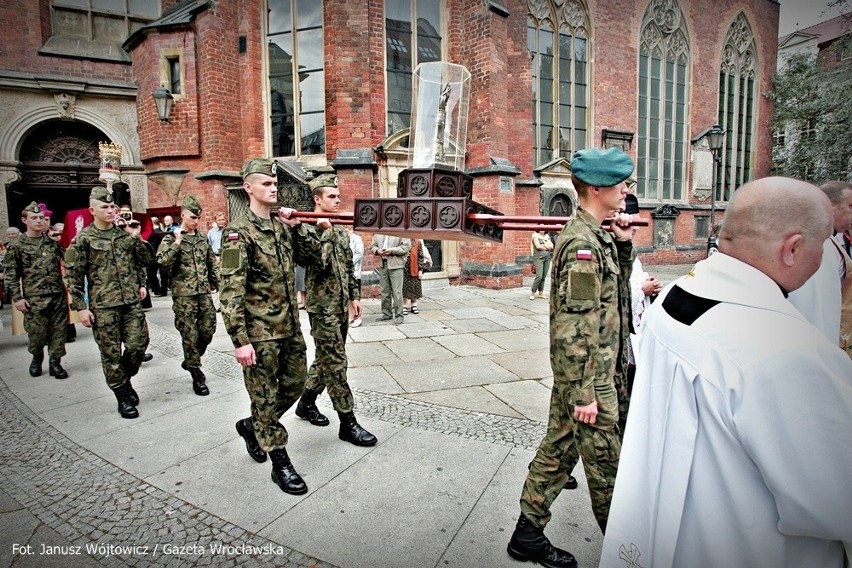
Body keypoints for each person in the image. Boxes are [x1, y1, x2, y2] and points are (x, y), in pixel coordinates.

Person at [601, 177, 852, 568]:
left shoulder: (674, 295)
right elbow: (836, 496)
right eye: (821, 245)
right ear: (794, 248)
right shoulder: (788, 351)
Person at [508, 147, 635, 568]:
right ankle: (631, 555)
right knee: (607, 476)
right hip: (589, 381)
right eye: (620, 183)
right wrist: (584, 394)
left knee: (559, 451)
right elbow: (574, 326)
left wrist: (623, 246)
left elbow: (611, 296)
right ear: (597, 188)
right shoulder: (581, 242)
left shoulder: (597, 235)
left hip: (590, 376)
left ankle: (527, 535)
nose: (626, 190)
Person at [219, 157, 321, 495]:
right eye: (265, 183)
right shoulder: (237, 233)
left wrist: (299, 227)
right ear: (248, 187)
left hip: (289, 326)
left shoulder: (280, 226)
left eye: (275, 183)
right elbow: (230, 290)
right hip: (259, 333)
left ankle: (253, 426)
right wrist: (240, 340)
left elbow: (312, 257)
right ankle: (280, 464)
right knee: (263, 397)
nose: (273, 187)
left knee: (294, 385)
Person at [293, 174, 376, 445]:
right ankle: (348, 423)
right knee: (337, 364)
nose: (337, 200)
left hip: (340, 306)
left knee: (325, 359)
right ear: (317, 199)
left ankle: (305, 404)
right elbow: (321, 261)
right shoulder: (306, 229)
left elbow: (347, 265)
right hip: (323, 309)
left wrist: (354, 296)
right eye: (332, 196)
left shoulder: (338, 228)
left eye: (338, 196)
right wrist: (326, 231)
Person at [64, 186, 153, 419]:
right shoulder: (84, 238)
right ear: (92, 210)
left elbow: (144, 261)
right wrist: (80, 308)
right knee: (110, 354)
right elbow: (73, 275)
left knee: (138, 345)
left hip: (131, 302)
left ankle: (123, 380)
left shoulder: (124, 236)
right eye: (105, 207)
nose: (111, 210)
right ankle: (123, 396)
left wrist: (137, 237)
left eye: (113, 206)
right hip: (103, 306)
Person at [156, 195, 219, 396]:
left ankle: (191, 358)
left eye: (198, 218)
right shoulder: (170, 238)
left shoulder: (201, 238)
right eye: (192, 217)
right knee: (189, 335)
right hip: (184, 295)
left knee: (208, 329)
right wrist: (177, 242)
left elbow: (211, 263)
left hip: (203, 293)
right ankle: (196, 372)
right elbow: (162, 262)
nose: (195, 221)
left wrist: (218, 283)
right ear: (182, 215)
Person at [4, 202, 70, 379]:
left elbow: (71, 260)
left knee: (59, 331)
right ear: (24, 220)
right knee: (37, 334)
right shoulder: (17, 245)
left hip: (57, 295)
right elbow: (11, 274)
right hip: (34, 298)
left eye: (41, 218)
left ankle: (55, 362)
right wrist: (17, 298)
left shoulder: (52, 243)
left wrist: (63, 241)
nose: (39, 221)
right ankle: (36, 357)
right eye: (34, 218)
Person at [788, 181, 852, 346]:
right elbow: (813, 304)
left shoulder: (829, 241)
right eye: (850, 206)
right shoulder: (815, 244)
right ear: (830, 206)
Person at [623, 194, 662, 392]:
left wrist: (649, 286)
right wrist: (641, 289)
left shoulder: (630, 250)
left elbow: (634, 277)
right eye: (634, 221)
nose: (637, 227)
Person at [370, 233, 411, 324]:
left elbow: (406, 246)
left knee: (397, 291)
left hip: (396, 265)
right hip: (383, 264)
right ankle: (386, 314)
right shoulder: (379, 232)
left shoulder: (400, 230)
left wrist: (392, 250)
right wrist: (377, 250)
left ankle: (399, 315)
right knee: (384, 291)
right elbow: (372, 246)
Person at [403, 238, 432, 314]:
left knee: (415, 286)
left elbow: (421, 256)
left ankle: (414, 305)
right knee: (404, 287)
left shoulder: (417, 241)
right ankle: (404, 305)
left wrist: (420, 269)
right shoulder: (402, 240)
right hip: (404, 268)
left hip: (415, 267)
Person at [530, 230, 554, 300]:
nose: (542, 229)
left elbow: (552, 246)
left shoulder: (547, 236)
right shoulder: (535, 235)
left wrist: (543, 246)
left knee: (543, 276)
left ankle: (541, 293)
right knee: (539, 276)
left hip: (547, 258)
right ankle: (533, 293)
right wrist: (547, 247)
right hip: (539, 258)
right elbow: (538, 246)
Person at [348, 226, 364, 328]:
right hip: (347, 272)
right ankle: (350, 316)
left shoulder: (357, 239)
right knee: (349, 297)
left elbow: (359, 254)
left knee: (355, 297)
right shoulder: (342, 237)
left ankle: (358, 317)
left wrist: (349, 263)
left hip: (354, 271)